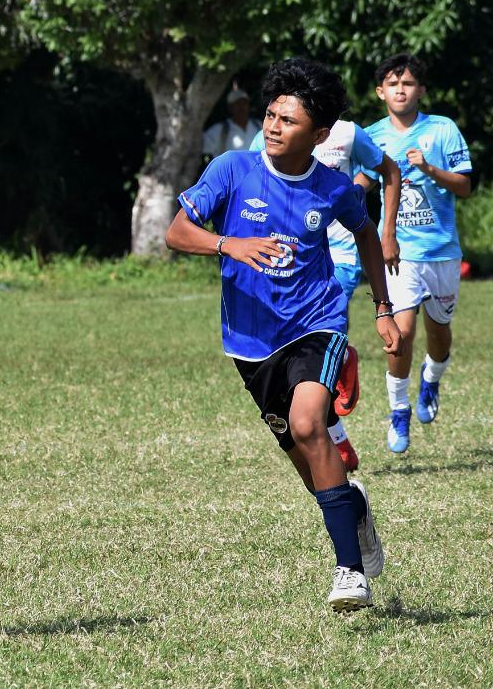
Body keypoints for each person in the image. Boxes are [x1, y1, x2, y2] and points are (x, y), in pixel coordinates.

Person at [166, 57, 399, 613]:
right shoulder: (231, 168)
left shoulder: (332, 188)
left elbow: (366, 236)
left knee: (309, 422)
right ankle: (354, 510)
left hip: (317, 322)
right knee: (307, 460)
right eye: (270, 115)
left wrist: (382, 307)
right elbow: (177, 232)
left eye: (286, 120)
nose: (271, 126)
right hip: (249, 342)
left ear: (318, 135)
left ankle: (349, 573)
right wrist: (230, 244)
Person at [248, 117, 402, 469]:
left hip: (342, 257)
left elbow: (388, 171)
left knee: (315, 342)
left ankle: (340, 367)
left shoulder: (348, 133)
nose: (279, 122)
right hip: (294, 259)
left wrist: (384, 229)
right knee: (300, 361)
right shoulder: (266, 138)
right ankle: (337, 433)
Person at [360, 54, 472, 453]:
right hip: (398, 253)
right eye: (393, 84)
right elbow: (363, 183)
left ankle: (432, 378)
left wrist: (428, 169)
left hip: (440, 251)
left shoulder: (442, 130)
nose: (401, 90)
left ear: (420, 90)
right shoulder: (372, 136)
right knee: (400, 334)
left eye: (407, 83)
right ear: (381, 92)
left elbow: (464, 186)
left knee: (438, 334)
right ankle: (399, 411)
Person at [203, 87, 262, 157]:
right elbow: (206, 154)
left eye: (244, 103)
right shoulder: (218, 130)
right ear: (230, 108)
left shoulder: (258, 125)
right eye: (237, 104)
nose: (242, 107)